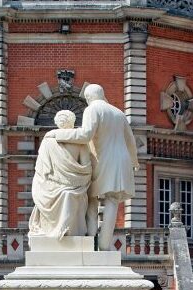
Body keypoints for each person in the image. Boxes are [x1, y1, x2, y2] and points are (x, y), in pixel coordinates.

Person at [61, 84, 140, 249]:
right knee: (112, 199)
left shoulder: (92, 109)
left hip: (102, 159)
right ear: (102, 94)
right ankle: (104, 247)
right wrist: (135, 161)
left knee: (91, 196)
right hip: (122, 160)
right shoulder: (119, 112)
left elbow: (86, 134)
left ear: (89, 97)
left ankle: (90, 240)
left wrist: (59, 134)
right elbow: (131, 140)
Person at [28, 110, 96, 237]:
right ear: (72, 121)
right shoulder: (78, 142)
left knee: (67, 194)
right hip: (70, 185)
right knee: (68, 194)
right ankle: (64, 230)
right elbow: (87, 169)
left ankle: (62, 230)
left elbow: (41, 171)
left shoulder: (48, 140)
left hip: (59, 186)